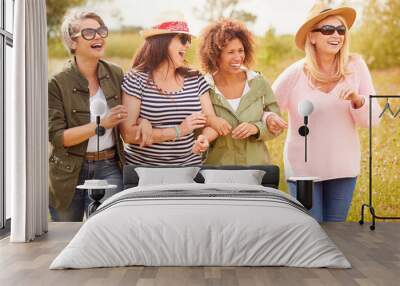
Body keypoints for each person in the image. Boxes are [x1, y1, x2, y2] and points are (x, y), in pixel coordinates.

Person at [271, 3, 381, 222]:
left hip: (343, 168)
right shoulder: (295, 73)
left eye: (341, 30)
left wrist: (358, 101)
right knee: (311, 233)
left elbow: (373, 120)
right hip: (303, 171)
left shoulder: (356, 67)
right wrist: (269, 118)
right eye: (328, 30)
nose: (336, 35)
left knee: (335, 234)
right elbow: (266, 106)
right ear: (311, 37)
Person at [48, 11, 128, 221]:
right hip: (68, 170)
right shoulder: (57, 83)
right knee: (66, 236)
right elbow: (58, 138)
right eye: (89, 33)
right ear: (72, 43)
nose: (99, 36)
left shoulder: (116, 74)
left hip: (110, 166)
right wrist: (101, 124)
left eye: (101, 31)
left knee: (109, 229)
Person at [120, 11, 219, 166]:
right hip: (144, 173)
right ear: (163, 41)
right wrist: (179, 130)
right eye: (183, 39)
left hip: (189, 170)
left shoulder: (195, 79)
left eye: (188, 40)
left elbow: (211, 124)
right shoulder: (136, 79)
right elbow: (128, 134)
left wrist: (204, 138)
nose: (187, 45)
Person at [193, 19, 285, 165]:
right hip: (218, 171)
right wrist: (202, 138)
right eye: (230, 52)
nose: (238, 57)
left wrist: (256, 128)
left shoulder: (258, 82)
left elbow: (276, 126)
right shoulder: (204, 87)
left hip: (257, 169)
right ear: (215, 56)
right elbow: (198, 127)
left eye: (240, 51)